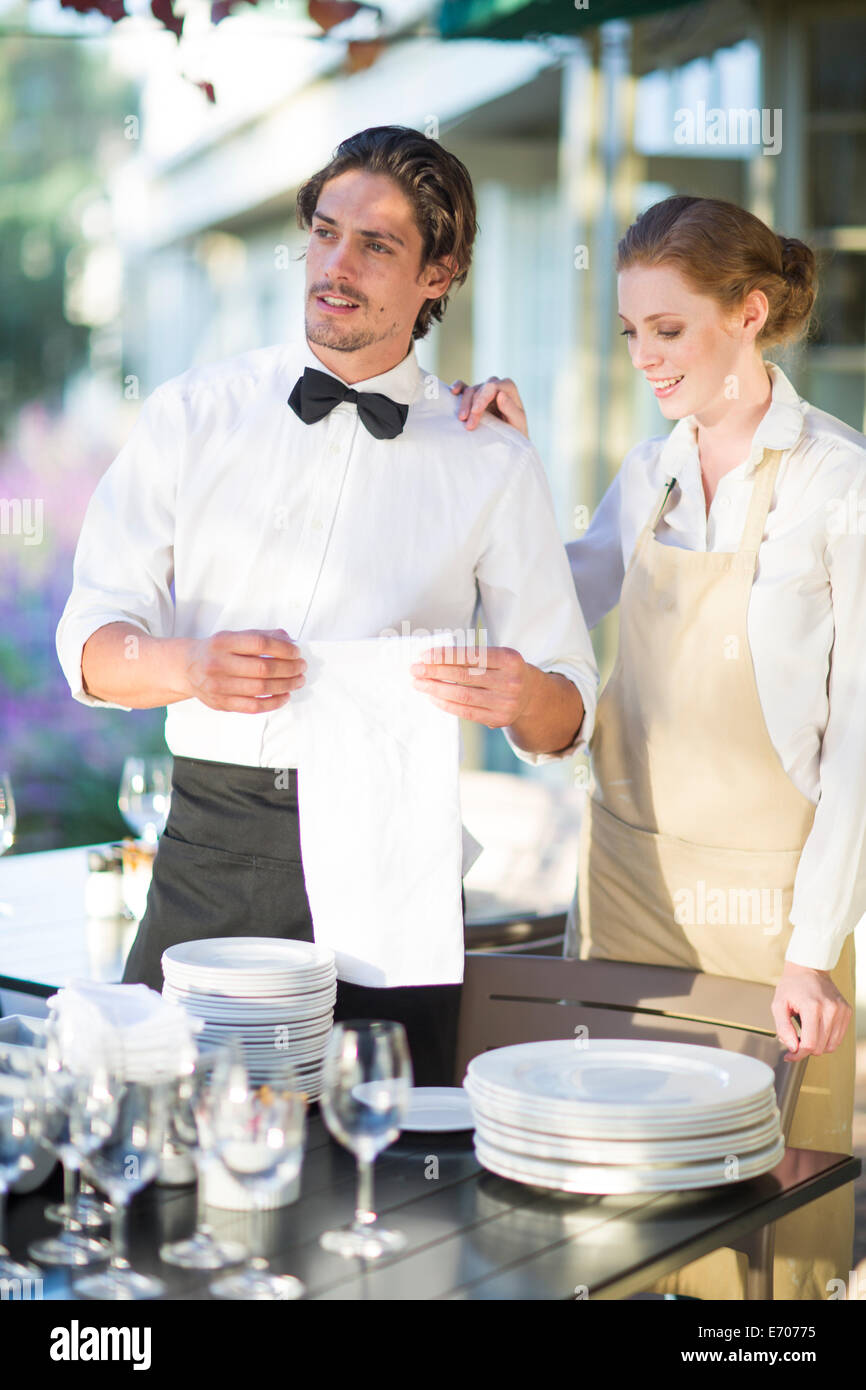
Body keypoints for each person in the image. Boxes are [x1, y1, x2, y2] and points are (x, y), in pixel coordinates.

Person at [55, 125, 598, 1089]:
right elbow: (90, 644)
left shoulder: (490, 457)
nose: (336, 267)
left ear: (442, 273)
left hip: (398, 859)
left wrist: (521, 698)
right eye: (325, 231)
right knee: (156, 1140)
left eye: (378, 245)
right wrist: (186, 665)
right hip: (215, 848)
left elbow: (570, 710)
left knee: (384, 1178)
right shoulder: (191, 413)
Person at [451, 194, 863, 1300]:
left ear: (748, 311)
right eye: (629, 332)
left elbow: (860, 749)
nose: (643, 357)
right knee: (602, 1220)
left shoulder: (837, 481)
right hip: (627, 886)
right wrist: (507, 467)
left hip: (769, 921)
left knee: (758, 1243)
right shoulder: (651, 471)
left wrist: (811, 949)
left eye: (666, 330)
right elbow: (554, 593)